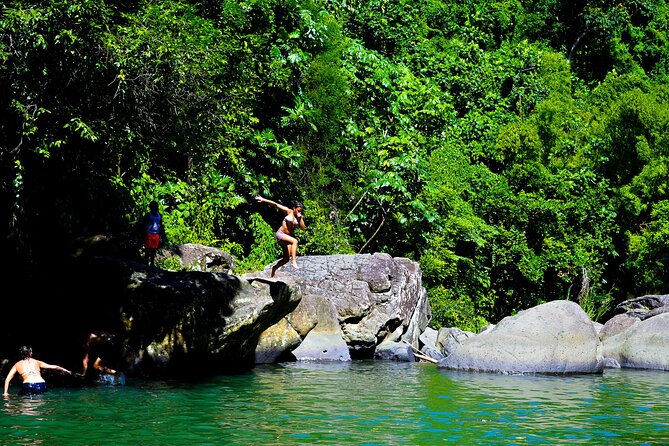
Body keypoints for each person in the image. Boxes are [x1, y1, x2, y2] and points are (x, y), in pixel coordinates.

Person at [255, 195, 307, 277]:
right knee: (295, 241)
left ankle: (274, 269)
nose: (299, 212)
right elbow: (276, 204)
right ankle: (294, 261)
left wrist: (300, 218)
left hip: (287, 237)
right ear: (294, 208)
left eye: (300, 211)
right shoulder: (288, 211)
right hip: (281, 234)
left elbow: (303, 228)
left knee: (286, 259)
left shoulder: (299, 217)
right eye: (298, 210)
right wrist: (263, 200)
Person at [3, 346, 71, 396]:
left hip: (28, 385)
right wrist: (65, 370)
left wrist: (5, 393)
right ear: (29, 353)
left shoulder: (17, 364)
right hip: (42, 384)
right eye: (31, 351)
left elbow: (7, 379)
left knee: (18, 397)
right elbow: (54, 367)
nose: (32, 353)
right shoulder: (37, 362)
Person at [143, 200, 164, 269]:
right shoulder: (148, 215)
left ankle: (151, 264)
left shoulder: (159, 215)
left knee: (153, 249)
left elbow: (161, 225)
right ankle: (146, 264)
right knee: (148, 249)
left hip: (156, 234)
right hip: (149, 232)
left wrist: (162, 235)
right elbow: (144, 224)